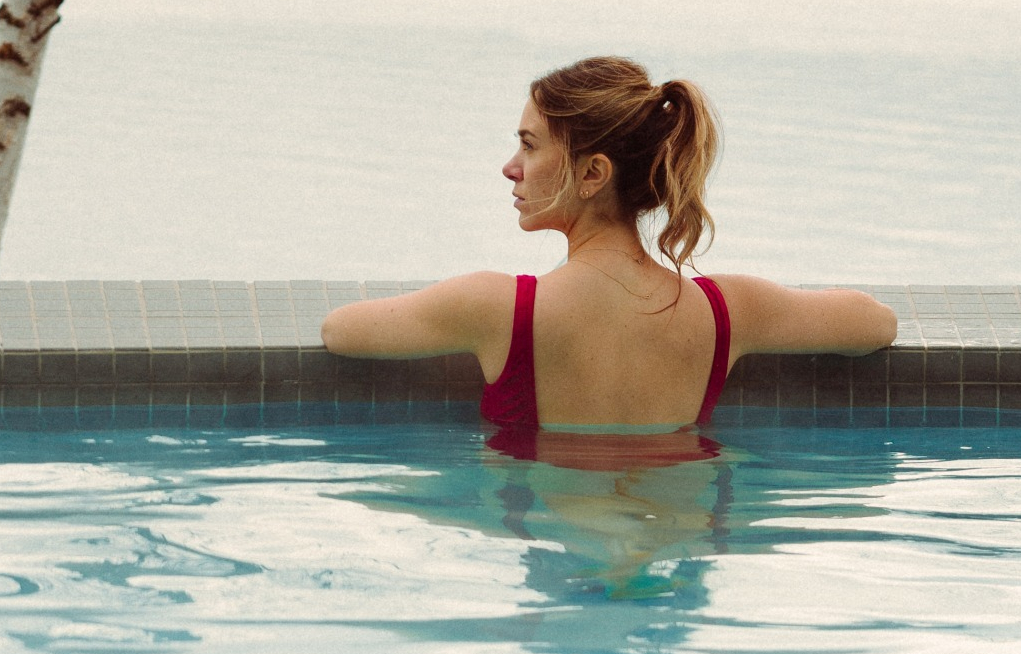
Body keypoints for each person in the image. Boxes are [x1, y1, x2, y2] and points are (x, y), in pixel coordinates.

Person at [320, 56, 896, 444]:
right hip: (675, 552)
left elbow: (340, 331)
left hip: (558, 555)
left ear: (592, 173)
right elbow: (876, 324)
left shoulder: (494, 308)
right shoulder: (728, 313)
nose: (511, 168)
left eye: (529, 145)